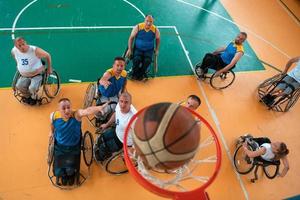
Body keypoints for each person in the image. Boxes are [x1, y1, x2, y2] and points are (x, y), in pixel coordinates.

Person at [50, 98, 108, 185]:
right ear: (59, 109)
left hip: (74, 146)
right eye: (63, 108)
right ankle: (64, 175)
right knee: (60, 170)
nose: (67, 110)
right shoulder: (54, 115)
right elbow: (52, 124)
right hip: (59, 146)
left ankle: (70, 175)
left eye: (68, 107)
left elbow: (87, 111)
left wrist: (98, 108)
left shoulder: (76, 114)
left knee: (70, 170)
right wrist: (51, 132)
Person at [94, 92, 137, 162]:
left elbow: (139, 135)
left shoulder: (134, 118)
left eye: (126, 102)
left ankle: (102, 157)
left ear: (130, 104)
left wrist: (129, 148)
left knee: (103, 147)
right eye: (121, 101)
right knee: (102, 137)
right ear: (119, 100)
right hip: (116, 131)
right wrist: (106, 124)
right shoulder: (118, 105)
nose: (123, 105)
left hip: (123, 141)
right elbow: (115, 114)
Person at [11, 37, 52, 105]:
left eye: (23, 44)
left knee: (32, 88)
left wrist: (49, 68)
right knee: (19, 86)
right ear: (16, 46)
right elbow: (14, 56)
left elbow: (48, 55)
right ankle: (28, 97)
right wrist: (18, 64)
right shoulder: (14, 51)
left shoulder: (34, 50)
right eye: (19, 46)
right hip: (24, 75)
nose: (22, 47)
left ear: (26, 43)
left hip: (37, 74)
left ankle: (34, 98)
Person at [126, 15, 160, 80]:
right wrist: (130, 49)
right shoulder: (138, 27)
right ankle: (134, 73)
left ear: (153, 22)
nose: (149, 23)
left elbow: (158, 39)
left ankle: (141, 73)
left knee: (147, 61)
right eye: (147, 21)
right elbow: (131, 38)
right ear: (144, 20)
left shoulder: (155, 29)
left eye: (151, 21)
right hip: (138, 49)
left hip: (149, 50)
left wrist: (157, 49)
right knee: (136, 59)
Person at [97, 56, 127, 123]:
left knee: (119, 109)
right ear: (113, 66)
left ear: (124, 66)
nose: (119, 68)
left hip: (114, 93)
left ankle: (110, 120)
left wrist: (122, 91)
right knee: (102, 111)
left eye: (121, 66)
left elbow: (125, 82)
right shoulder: (109, 73)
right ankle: (101, 119)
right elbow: (101, 80)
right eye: (117, 65)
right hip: (105, 94)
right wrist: (104, 82)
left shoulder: (124, 73)